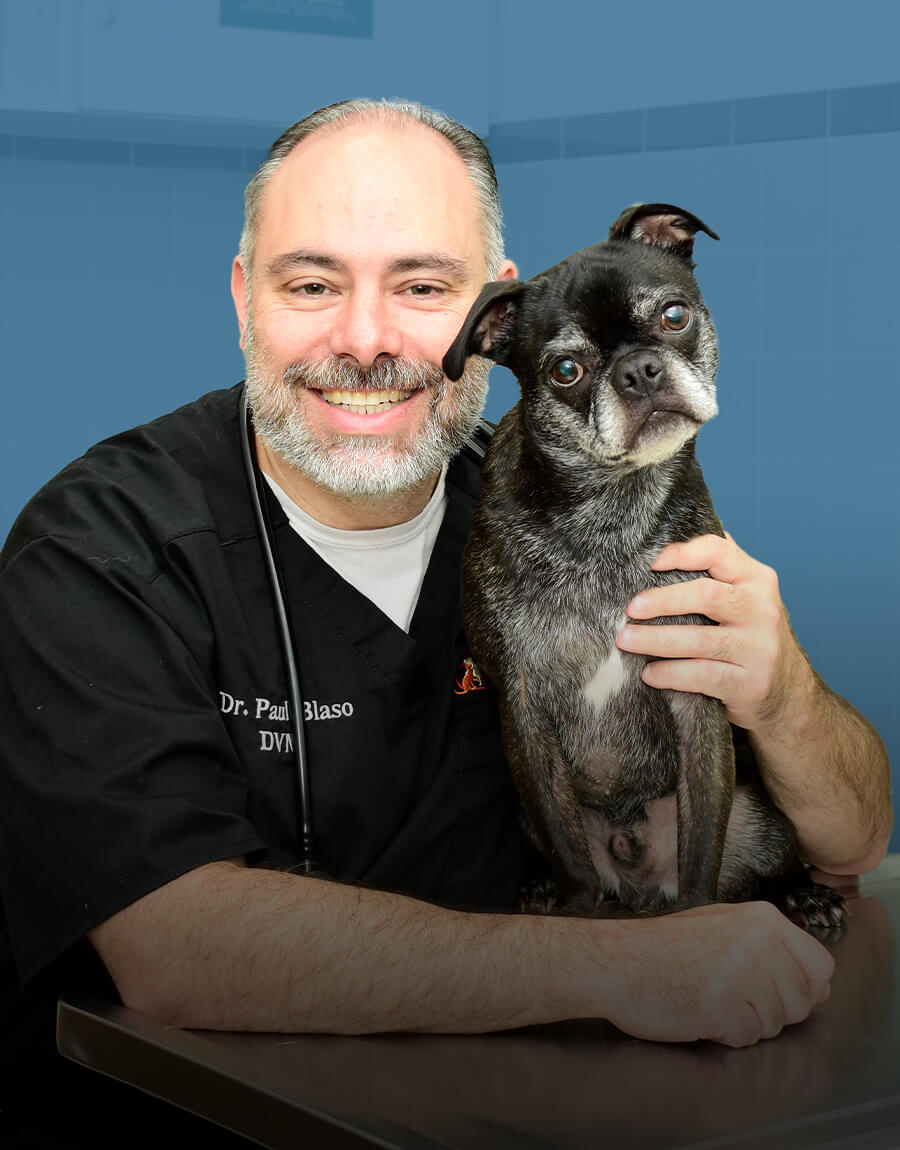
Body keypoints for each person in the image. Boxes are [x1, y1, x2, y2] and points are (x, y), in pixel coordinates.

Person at [0, 97, 892, 1144]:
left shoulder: (568, 499)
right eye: (311, 283)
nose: (367, 339)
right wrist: (630, 965)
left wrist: (783, 694)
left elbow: (856, 842)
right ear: (246, 299)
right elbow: (174, 951)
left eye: (421, 286)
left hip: (543, 1103)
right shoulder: (105, 546)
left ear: (493, 313)